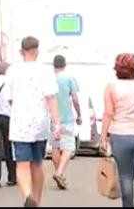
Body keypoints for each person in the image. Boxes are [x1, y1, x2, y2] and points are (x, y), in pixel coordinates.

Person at [4, 36, 61, 207]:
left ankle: (27, 197)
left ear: (22, 51)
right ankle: (36, 200)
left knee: (21, 165)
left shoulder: (12, 71)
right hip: (40, 123)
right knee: (37, 164)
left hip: (19, 124)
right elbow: (51, 99)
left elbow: (10, 99)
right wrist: (57, 123)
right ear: (37, 51)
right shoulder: (46, 71)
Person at [101, 53, 134, 208]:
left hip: (121, 135)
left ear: (117, 69)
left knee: (125, 177)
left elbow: (109, 113)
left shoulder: (111, 87)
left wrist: (104, 137)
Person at [50, 55, 81, 190]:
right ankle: (59, 172)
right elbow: (75, 99)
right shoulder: (69, 79)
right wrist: (79, 114)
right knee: (68, 147)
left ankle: (59, 173)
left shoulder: (50, 79)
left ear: (54, 65)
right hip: (67, 118)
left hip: (52, 118)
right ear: (65, 64)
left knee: (55, 147)